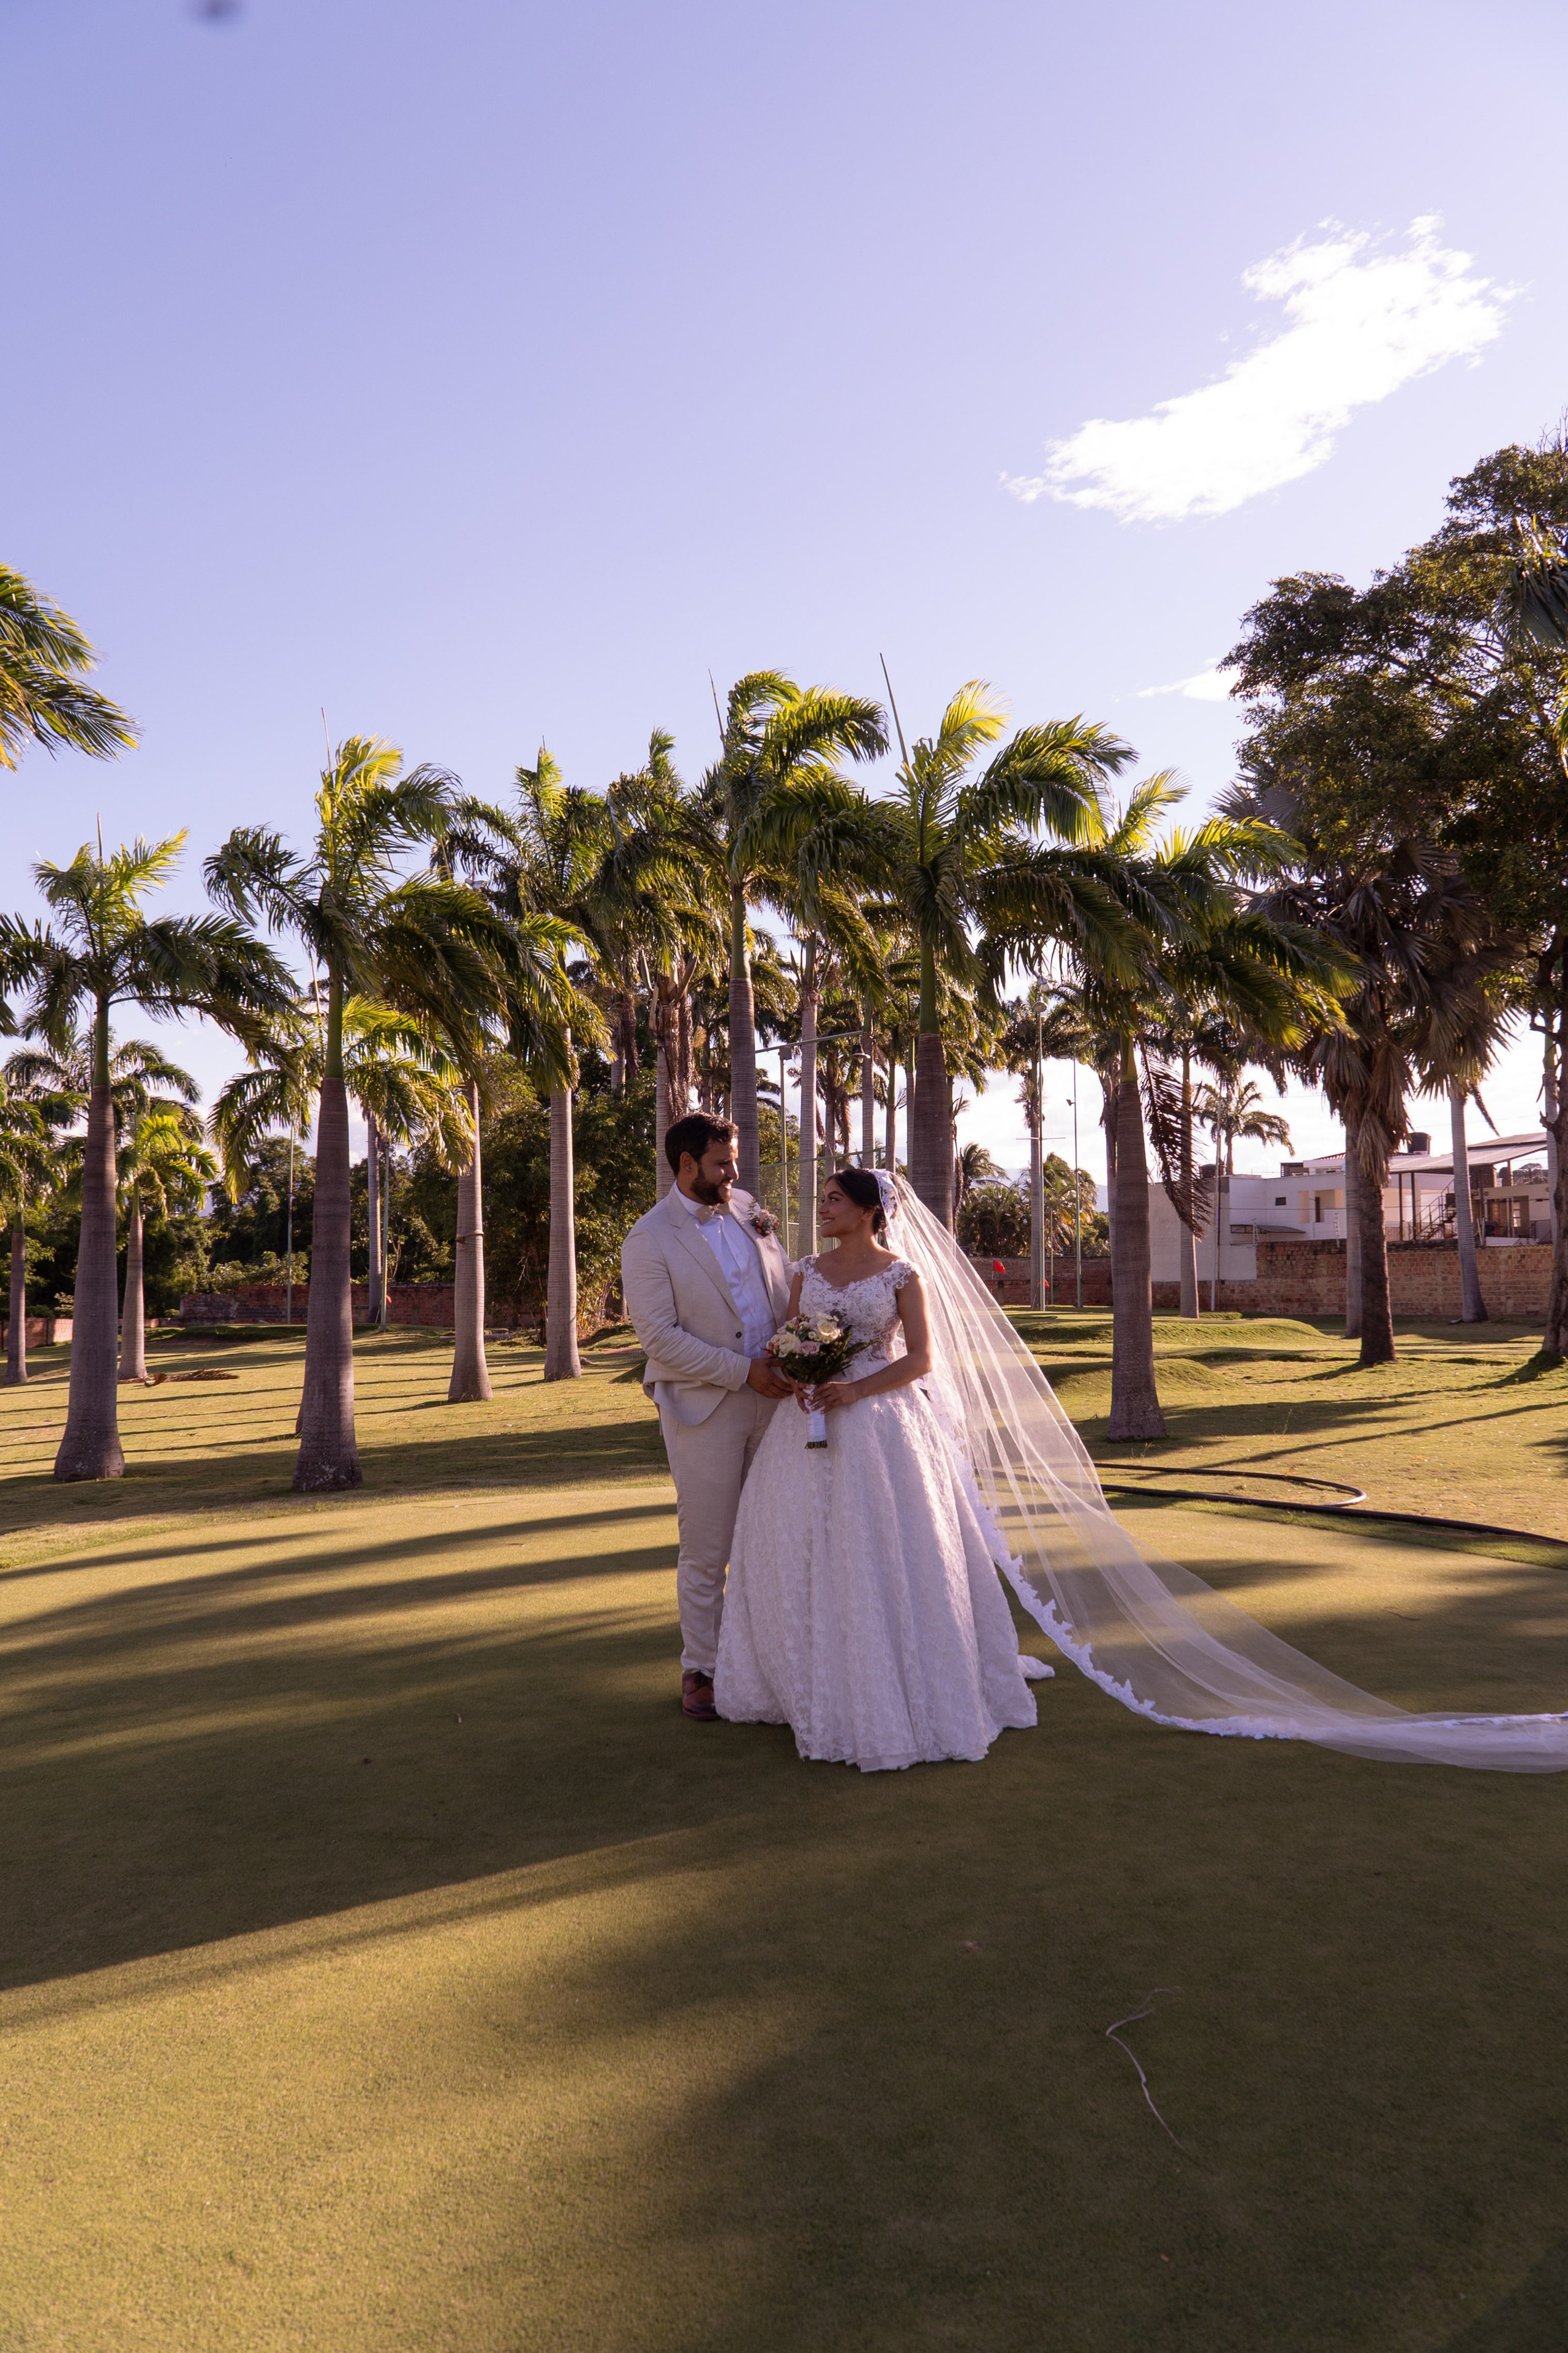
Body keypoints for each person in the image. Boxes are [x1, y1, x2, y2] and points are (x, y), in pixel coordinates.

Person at [715, 1166, 1044, 1771]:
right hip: (807, 1419)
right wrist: (795, 1372)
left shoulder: (901, 1274)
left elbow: (920, 1357)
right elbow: (795, 1335)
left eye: (835, 1200)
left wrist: (856, 1390)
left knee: (878, 1544)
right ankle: (803, 1681)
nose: (824, 1209)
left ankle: (888, 1686)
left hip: (879, 1422)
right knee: (803, 1541)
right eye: (825, 1200)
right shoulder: (807, 1270)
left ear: (868, 1210)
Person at [620, 1112, 794, 1720]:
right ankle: (702, 1669)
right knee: (707, 1544)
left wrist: (795, 1353)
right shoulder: (649, 1238)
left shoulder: (749, 1211)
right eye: (722, 1163)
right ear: (686, 1164)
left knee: (770, 1534)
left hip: (778, 1404)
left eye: (735, 1160)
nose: (735, 1173)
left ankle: (769, 1660)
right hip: (705, 1408)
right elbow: (660, 1339)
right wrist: (743, 1371)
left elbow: (784, 1291)